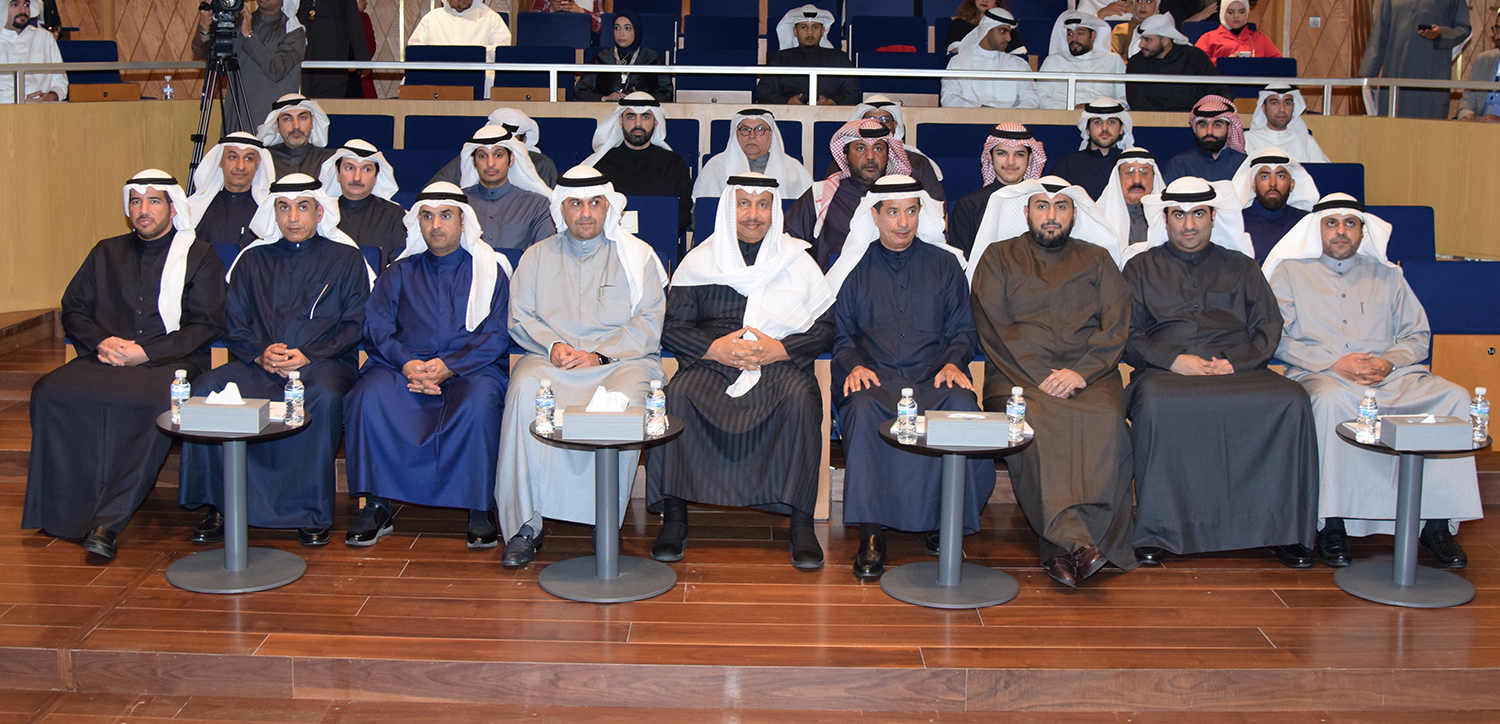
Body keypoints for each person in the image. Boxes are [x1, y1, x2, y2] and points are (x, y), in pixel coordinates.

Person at [1265, 193, 1481, 569]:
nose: (1341, 231)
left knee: (1454, 398)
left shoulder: (1389, 276)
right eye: (1332, 223)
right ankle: (1333, 523)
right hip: (1325, 375)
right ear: (1317, 230)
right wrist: (1335, 363)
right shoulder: (1290, 273)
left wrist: (1387, 362)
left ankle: (1435, 525)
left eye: (1350, 223)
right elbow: (1277, 338)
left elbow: (1417, 335)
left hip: (1393, 378)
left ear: (1363, 231)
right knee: (1329, 402)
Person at [23, 171, 225, 561]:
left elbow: (206, 323)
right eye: (136, 201)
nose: (143, 209)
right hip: (106, 356)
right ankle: (61, 511)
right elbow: (73, 309)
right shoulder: (105, 252)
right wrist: (102, 341)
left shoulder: (198, 255)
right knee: (50, 391)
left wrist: (145, 353)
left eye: (153, 201)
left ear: (172, 208)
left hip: (170, 360)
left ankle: (108, 523)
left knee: (153, 402)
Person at [1123, 176, 1318, 569]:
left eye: (1199, 214)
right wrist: (1173, 360)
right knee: (1156, 404)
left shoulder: (1242, 267)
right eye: (1179, 215)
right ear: (1165, 218)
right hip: (1166, 373)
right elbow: (1126, 332)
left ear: (1213, 217)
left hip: (1238, 368)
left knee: (1291, 400)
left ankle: (1283, 530)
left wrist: (1236, 362)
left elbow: (1268, 326)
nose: (1189, 224)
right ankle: (1160, 531)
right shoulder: (1140, 267)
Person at [644, 174, 835, 569]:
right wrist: (715, 348)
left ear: (774, 211)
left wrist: (781, 350)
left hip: (778, 362)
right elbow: (673, 327)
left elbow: (825, 328)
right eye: (743, 203)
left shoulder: (797, 261)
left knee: (800, 398)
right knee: (678, 396)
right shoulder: (699, 261)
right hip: (712, 361)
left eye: (762, 204)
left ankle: (801, 524)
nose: (753, 214)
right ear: (728, 209)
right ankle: (675, 518)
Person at [178, 174, 373, 548]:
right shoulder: (252, 259)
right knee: (206, 388)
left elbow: (355, 323)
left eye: (302, 207)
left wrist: (310, 354)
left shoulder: (346, 258)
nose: (293, 217)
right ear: (274, 212)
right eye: (284, 208)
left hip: (324, 365)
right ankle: (220, 505)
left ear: (319, 213)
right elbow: (233, 321)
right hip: (260, 365)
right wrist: (259, 353)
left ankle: (308, 511)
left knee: (323, 397)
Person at [495, 166, 668, 568]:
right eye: (575, 203)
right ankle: (525, 525)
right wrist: (553, 345)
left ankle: (604, 520)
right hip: (550, 361)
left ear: (609, 207)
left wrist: (599, 355)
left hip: (620, 362)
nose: (585, 212)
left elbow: (648, 323)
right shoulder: (536, 257)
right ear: (561, 208)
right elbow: (520, 316)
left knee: (627, 398)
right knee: (523, 390)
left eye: (594, 203)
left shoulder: (637, 256)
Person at [968, 177, 1136, 587]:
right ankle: (1078, 542)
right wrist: (1040, 374)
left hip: (1090, 375)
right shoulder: (998, 256)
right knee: (1034, 424)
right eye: (1042, 206)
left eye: (1061, 207)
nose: (1051, 216)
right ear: (1026, 212)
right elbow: (994, 325)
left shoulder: (1097, 258)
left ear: (1074, 214)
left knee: (1107, 421)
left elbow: (1116, 323)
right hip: (1018, 375)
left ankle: (1069, 548)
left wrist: (1082, 371)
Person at [826, 176, 990, 581]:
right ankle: (871, 534)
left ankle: (944, 521)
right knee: (861, 407)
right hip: (876, 380)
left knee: (961, 405)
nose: (903, 222)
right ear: (875, 216)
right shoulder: (852, 269)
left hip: (933, 379)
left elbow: (963, 331)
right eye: (893, 212)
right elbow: (842, 338)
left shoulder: (945, 265)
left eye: (911, 212)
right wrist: (855, 365)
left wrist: (952, 363)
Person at [343, 183, 514, 549]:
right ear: (417, 222)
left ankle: (479, 506)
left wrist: (450, 366)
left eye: (445, 215)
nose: (436, 225)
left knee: (480, 401)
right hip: (402, 368)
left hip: (471, 369)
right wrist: (407, 364)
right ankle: (377, 504)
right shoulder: (398, 272)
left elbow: (498, 334)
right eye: (427, 216)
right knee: (367, 396)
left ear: (463, 222)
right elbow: (376, 327)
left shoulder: (489, 272)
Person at [785, 119, 926, 270]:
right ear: (846, 156)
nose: (870, 156)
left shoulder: (907, 197)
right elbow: (788, 246)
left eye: (878, 148)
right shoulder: (821, 194)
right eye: (860, 148)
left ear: (888, 155)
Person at [582, 92, 694, 235]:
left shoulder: (673, 164)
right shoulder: (601, 165)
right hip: (612, 241)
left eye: (645, 117)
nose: (638, 123)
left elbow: (683, 214)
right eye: (631, 117)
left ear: (656, 123)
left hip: (660, 240)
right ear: (621, 122)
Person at [191, 0, 300, 130]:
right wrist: (204, 29)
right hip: (236, 118)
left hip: (271, 125)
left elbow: (277, 69)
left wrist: (249, 36)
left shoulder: (293, 30)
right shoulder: (238, 23)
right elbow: (202, 52)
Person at [946, 122, 1046, 260]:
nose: (1010, 161)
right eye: (1002, 153)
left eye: (1019, 154)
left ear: (1030, 159)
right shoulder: (969, 206)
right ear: (990, 157)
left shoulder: (1044, 203)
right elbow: (963, 261)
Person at [1359, 0, 1471, 119]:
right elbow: (1380, 32)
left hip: (1431, 76)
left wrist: (1441, 34)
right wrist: (1367, 74)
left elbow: (1463, 29)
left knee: (1428, 126)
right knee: (1391, 125)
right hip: (1395, 75)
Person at [456, 125, 556, 252]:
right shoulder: (458, 204)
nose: (490, 163)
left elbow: (544, 255)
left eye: (498, 155)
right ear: (473, 162)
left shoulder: (537, 205)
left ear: (511, 159)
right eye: (482, 156)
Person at [317, 138, 407, 267]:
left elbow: (400, 267)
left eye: (366, 170)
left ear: (376, 176)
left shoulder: (393, 215)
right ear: (337, 172)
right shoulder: (322, 213)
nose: (357, 177)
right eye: (349, 168)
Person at [694, 108, 813, 201]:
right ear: (736, 135)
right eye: (745, 129)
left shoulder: (794, 170)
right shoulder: (715, 167)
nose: (752, 136)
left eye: (760, 129)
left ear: (771, 135)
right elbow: (702, 213)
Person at [187, 131, 277, 250]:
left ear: (258, 163)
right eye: (233, 157)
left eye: (248, 158)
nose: (240, 166)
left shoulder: (268, 212)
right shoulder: (196, 208)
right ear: (221, 161)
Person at [756, 4, 859, 106]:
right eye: (804, 27)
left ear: (822, 31)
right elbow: (763, 92)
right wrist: (787, 101)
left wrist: (831, 102)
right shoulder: (779, 59)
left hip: (830, 114)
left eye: (815, 27)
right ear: (795, 31)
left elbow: (853, 93)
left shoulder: (839, 58)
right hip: (788, 113)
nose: (809, 32)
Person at [429, 108, 560, 188]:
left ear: (524, 141)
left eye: (512, 142)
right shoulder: (470, 159)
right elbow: (434, 189)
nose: (490, 163)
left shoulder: (542, 164)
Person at [407, 0, 511, 99]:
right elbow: (416, 51)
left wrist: (470, 55)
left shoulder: (490, 18)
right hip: (437, 78)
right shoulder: (431, 18)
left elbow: (502, 51)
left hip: (478, 77)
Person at [1125, 13, 1230, 112]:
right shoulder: (1136, 62)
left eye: (1147, 40)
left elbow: (1218, 90)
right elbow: (1137, 102)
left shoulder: (1193, 56)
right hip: (1151, 120)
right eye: (1141, 39)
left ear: (1165, 41)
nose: (1141, 45)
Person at [942, 8, 1039, 109]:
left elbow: (1031, 98)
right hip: (970, 117)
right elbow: (948, 97)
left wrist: (1010, 115)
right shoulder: (958, 62)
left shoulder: (1019, 65)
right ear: (987, 30)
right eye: (1003, 31)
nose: (1009, 38)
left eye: (1010, 33)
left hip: (1009, 118)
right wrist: (979, 109)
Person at [1231, 149, 1319, 260]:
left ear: (1292, 184)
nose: (1273, 184)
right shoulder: (1237, 223)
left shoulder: (1306, 222)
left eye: (1280, 176)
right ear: (1254, 185)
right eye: (1265, 177)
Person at [835, 97, 945, 185]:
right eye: (871, 119)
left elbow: (937, 203)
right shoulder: (847, 159)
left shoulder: (918, 162)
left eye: (885, 120)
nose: (878, 124)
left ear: (895, 125)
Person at [1038, 12, 1127, 110]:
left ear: (1093, 35)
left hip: (1103, 114)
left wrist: (1096, 108)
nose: (1073, 39)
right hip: (1061, 114)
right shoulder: (1054, 60)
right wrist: (1071, 109)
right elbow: (1041, 95)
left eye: (1080, 34)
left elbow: (1124, 98)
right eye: (1070, 34)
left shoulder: (1113, 60)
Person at [575, 11, 671, 103]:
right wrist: (605, 98)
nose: (621, 34)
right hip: (607, 111)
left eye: (627, 28)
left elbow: (666, 93)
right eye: (617, 28)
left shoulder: (652, 58)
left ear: (636, 30)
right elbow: (580, 92)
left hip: (642, 111)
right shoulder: (602, 58)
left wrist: (642, 99)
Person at [1049, 99, 1134, 198]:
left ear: (1121, 129)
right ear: (1087, 129)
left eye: (1111, 122)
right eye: (1097, 122)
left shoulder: (1131, 164)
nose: (1104, 128)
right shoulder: (1067, 164)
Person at [1162, 95, 1248, 184]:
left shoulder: (1244, 165)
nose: (1209, 132)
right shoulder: (1179, 165)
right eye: (1203, 125)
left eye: (1217, 125)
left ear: (1229, 130)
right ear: (1195, 129)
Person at [297, 0, 370, 98]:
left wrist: (363, 60)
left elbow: (354, 21)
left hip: (332, 57)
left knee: (329, 98)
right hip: (304, 58)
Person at [1244, 83, 1331, 162]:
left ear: (1293, 107)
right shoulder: (1247, 140)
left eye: (1287, 103)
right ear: (1263, 108)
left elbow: (1324, 170)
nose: (1282, 109)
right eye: (1274, 103)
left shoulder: (1306, 141)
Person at [257, 93, 337, 177]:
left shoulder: (330, 160)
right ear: (277, 125)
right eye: (287, 119)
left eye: (302, 118)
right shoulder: (263, 160)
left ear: (312, 122)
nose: (296, 126)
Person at [0, 0, 64, 104]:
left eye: (26, 5)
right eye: (15, 5)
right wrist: (22, 102)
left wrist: (49, 97)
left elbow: (60, 81)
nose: (23, 10)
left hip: (44, 108)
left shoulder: (44, 37)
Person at [1097, 147, 1160, 250]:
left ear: (1154, 177)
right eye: (1129, 172)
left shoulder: (1165, 218)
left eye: (1144, 172)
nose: (1137, 180)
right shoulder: (1099, 218)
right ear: (1117, 178)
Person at [1194, 0, 1281, 64]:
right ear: (1223, 13)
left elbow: (1279, 64)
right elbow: (1196, 63)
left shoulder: (1260, 38)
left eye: (1241, 12)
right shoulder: (1208, 38)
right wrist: (1224, 62)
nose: (1236, 16)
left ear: (1247, 13)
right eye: (1231, 12)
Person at [1457, 8, 1500, 122]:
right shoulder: (1483, 60)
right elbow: (1468, 99)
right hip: (1480, 126)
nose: (1498, 36)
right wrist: (1466, 114)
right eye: (1497, 29)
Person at [946, 0, 1011, 52]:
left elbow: (1015, 54)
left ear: (997, 2)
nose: (985, 0)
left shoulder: (1006, 27)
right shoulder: (959, 24)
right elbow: (956, 51)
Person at [529, 0, 600, 34]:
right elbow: (531, 25)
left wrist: (582, 12)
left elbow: (602, 28)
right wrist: (551, 10)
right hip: (548, 44)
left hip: (584, 47)